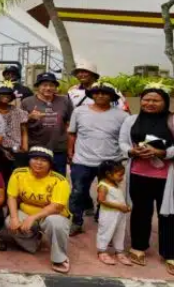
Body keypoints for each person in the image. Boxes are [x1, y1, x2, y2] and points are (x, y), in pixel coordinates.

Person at [119, 84, 174, 273]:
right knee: (140, 211)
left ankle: (171, 253)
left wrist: (161, 152)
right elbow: (122, 142)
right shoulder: (131, 120)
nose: (150, 103)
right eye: (146, 99)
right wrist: (131, 151)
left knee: (169, 214)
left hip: (167, 177)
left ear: (165, 102)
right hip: (138, 174)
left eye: (155, 100)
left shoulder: (173, 120)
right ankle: (138, 246)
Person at [66, 82, 129, 235]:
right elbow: (72, 133)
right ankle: (76, 221)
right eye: (97, 93)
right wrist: (70, 152)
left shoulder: (122, 115)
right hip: (82, 160)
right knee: (78, 192)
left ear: (111, 97)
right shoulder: (79, 111)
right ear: (92, 95)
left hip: (111, 162)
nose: (100, 95)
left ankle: (102, 216)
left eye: (105, 93)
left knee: (109, 193)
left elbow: (126, 137)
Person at [1, 146, 72, 274]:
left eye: (44, 160)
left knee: (56, 224)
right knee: (9, 223)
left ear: (50, 163)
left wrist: (33, 217)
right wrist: (14, 218)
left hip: (51, 215)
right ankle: (33, 241)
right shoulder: (19, 173)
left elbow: (57, 206)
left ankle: (59, 258)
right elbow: (12, 197)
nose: (39, 163)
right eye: (35, 158)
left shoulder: (59, 180)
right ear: (29, 160)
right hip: (26, 211)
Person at [21, 72, 73, 175]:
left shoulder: (65, 101)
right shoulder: (27, 102)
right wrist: (29, 117)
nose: (48, 88)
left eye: (51, 85)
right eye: (44, 85)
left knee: (58, 178)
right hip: (36, 148)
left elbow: (69, 125)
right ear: (37, 87)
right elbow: (19, 124)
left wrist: (70, 149)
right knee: (36, 177)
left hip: (58, 149)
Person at [95, 160, 132, 266]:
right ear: (108, 174)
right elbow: (101, 200)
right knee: (106, 231)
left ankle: (119, 251)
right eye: (120, 175)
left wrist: (124, 207)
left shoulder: (114, 184)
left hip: (119, 214)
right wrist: (120, 206)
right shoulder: (103, 186)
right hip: (108, 215)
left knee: (120, 232)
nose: (122, 178)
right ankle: (102, 251)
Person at [0, 81, 28, 183]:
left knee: (15, 177)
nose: (6, 97)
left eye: (8, 94)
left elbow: (24, 129)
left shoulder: (18, 112)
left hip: (16, 149)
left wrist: (25, 146)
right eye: (2, 94)